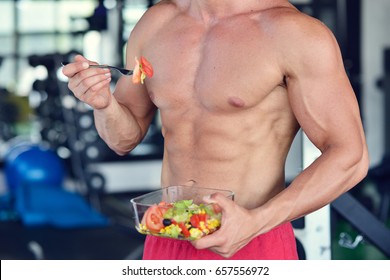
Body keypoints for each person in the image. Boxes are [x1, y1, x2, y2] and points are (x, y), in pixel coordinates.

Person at [62, 0, 369, 260]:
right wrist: (104, 106)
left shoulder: (293, 33)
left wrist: (257, 221)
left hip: (250, 238)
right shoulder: (156, 23)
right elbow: (122, 141)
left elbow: (350, 156)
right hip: (168, 233)